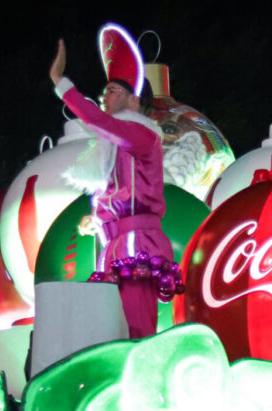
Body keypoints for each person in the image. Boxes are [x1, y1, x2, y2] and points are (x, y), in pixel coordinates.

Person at [48, 38, 176, 339]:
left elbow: (96, 119)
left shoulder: (142, 134)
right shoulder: (116, 142)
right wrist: (100, 219)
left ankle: (142, 384)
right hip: (115, 247)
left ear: (135, 101)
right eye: (104, 90)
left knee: (136, 332)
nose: (104, 95)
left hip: (138, 246)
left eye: (113, 90)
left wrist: (60, 82)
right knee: (111, 332)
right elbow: (121, 189)